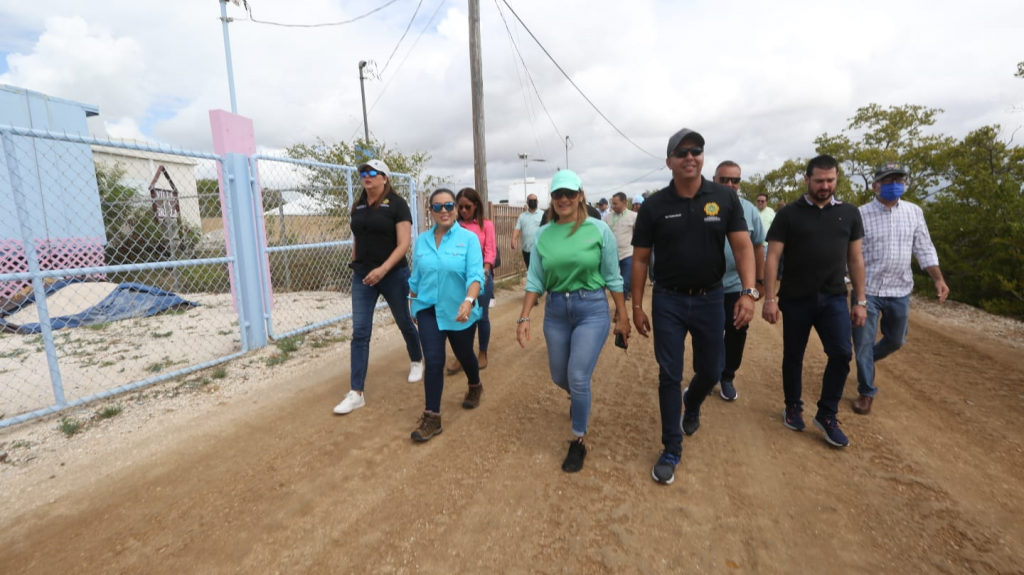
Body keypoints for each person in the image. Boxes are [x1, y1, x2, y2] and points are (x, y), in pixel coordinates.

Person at [631, 128, 756, 486]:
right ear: (669, 161)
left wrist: (749, 292)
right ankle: (671, 448)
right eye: (682, 152)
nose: (690, 157)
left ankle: (695, 402)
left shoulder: (723, 198)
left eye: (696, 151)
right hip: (668, 299)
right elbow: (640, 260)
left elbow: (744, 247)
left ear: (702, 157)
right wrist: (637, 306)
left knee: (712, 370)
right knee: (669, 374)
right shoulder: (655, 206)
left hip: (710, 297)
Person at [516, 169, 630, 474]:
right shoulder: (543, 234)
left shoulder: (598, 230)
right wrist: (524, 316)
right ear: (551, 200)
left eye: (569, 193)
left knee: (578, 375)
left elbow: (613, 276)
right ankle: (578, 396)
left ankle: (578, 439)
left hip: (591, 308)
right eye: (557, 194)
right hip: (555, 310)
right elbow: (535, 279)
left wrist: (622, 316)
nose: (564, 199)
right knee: (558, 375)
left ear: (580, 195)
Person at [762, 154, 867, 449]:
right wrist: (769, 298)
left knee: (841, 354)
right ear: (807, 179)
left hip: (834, 297)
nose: (825, 185)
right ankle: (793, 406)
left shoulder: (849, 213)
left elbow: (856, 259)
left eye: (830, 180)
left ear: (836, 180)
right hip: (795, 298)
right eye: (819, 180)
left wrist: (861, 300)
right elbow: (772, 258)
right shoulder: (788, 214)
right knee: (793, 355)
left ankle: (827, 414)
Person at [852, 162, 949, 415]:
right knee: (862, 343)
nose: (895, 185)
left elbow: (924, 247)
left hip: (900, 289)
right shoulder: (860, 214)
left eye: (899, 180)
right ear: (875, 186)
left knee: (896, 340)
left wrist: (938, 278)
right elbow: (851, 253)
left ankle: (867, 359)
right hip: (868, 289)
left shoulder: (914, 212)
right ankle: (866, 391)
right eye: (888, 180)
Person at [334, 159, 424, 415]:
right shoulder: (358, 205)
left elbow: (403, 244)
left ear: (385, 178)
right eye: (363, 172)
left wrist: (383, 269)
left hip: (393, 274)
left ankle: (417, 360)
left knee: (404, 321)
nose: (367, 176)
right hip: (363, 276)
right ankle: (356, 393)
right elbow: (358, 237)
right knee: (360, 332)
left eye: (373, 172)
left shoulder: (397, 205)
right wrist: (355, 263)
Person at [407, 189, 485, 441]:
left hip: (458, 310)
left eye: (449, 205)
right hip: (428, 309)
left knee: (464, 355)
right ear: (430, 211)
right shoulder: (422, 240)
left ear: (455, 208)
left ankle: (475, 384)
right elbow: (416, 277)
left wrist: (469, 301)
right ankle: (432, 416)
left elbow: (476, 276)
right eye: (437, 207)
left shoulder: (469, 239)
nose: (444, 211)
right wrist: (412, 302)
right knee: (434, 359)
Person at [708, 161, 765, 401]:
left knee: (736, 331)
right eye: (725, 180)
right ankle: (707, 374)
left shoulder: (749, 210)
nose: (731, 185)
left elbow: (757, 246)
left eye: (735, 180)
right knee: (708, 333)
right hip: (707, 285)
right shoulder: (704, 205)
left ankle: (727, 376)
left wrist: (757, 282)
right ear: (714, 179)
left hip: (736, 286)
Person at [446, 188, 496, 374]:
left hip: (481, 277)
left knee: (481, 317)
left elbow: (490, 250)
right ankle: (462, 355)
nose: (464, 211)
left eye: (468, 207)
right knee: (461, 317)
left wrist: (485, 270)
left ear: (476, 206)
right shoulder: (453, 226)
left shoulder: (486, 225)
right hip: (458, 279)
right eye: (461, 207)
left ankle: (482, 351)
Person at [607, 192, 637, 300]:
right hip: (611, 255)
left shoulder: (634, 216)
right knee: (612, 283)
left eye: (615, 204)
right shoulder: (607, 218)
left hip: (627, 254)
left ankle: (620, 309)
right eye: (612, 204)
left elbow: (638, 236)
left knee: (625, 282)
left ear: (624, 202)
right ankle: (618, 304)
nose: (613, 206)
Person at [511, 193, 543, 268]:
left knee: (539, 270)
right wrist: (513, 239)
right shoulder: (522, 216)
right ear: (527, 202)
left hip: (538, 249)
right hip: (526, 250)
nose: (533, 202)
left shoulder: (543, 215)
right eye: (531, 200)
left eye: (534, 200)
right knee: (529, 269)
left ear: (537, 202)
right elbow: (517, 228)